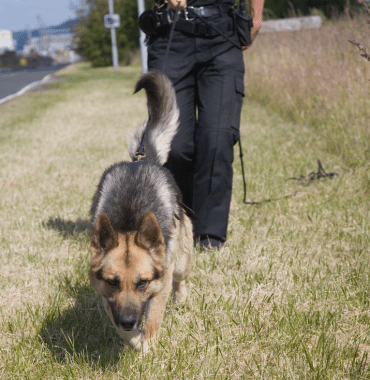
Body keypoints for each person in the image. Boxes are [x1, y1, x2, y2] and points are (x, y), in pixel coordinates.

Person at [146, 0, 265, 248]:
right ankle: (182, 218)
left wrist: (256, 17)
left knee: (218, 136)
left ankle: (209, 235)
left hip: (222, 33)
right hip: (171, 31)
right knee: (173, 144)